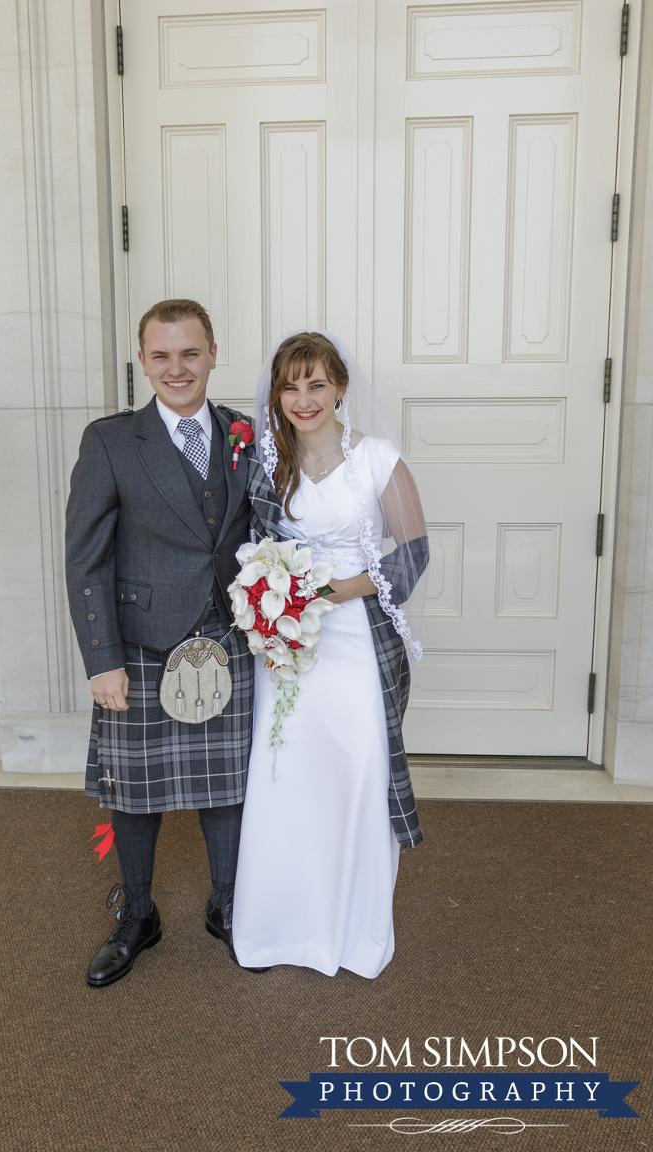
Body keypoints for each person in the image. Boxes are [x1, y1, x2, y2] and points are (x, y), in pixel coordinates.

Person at [65, 298, 280, 987]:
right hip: (143, 643)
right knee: (135, 792)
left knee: (228, 786)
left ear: (213, 354)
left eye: (190, 353)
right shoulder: (109, 442)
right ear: (143, 362)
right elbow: (85, 559)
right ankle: (137, 916)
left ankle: (227, 905)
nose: (177, 368)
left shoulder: (246, 432)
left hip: (227, 639)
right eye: (161, 355)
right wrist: (102, 661)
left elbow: (268, 529)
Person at [232, 331, 429, 979]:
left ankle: (353, 927)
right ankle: (281, 923)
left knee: (358, 771)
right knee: (287, 775)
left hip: (357, 641)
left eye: (316, 383)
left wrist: (336, 590)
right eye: (290, 385)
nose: (304, 398)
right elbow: (251, 548)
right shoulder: (267, 464)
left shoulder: (377, 459)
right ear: (276, 394)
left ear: (341, 387)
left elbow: (414, 552)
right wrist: (276, 593)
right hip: (290, 644)